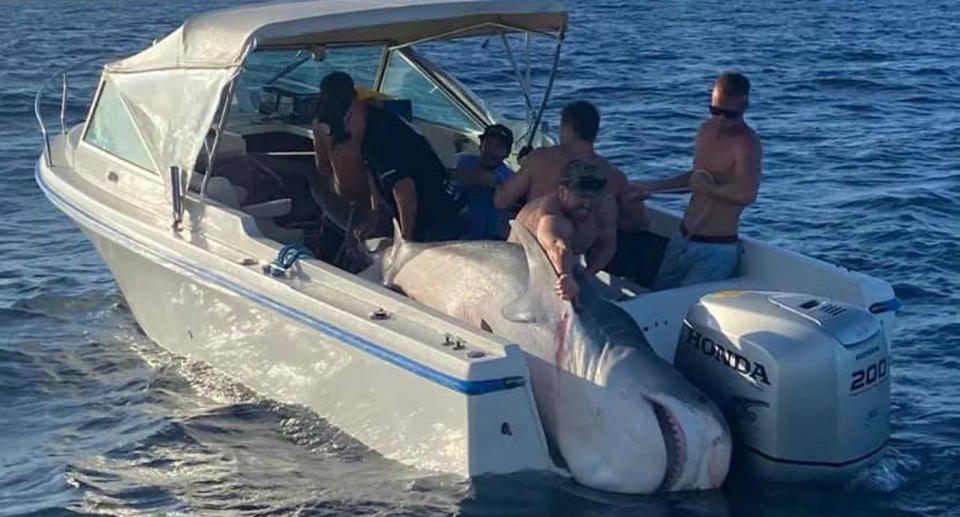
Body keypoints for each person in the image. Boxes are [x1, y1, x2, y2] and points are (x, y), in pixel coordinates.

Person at [631, 72, 762, 289]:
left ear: (744, 107)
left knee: (685, 313)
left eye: (729, 115)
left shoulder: (747, 143)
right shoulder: (705, 131)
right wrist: (650, 187)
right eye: (715, 111)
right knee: (658, 300)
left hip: (715, 249)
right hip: (682, 239)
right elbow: (695, 178)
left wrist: (709, 189)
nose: (720, 119)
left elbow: (746, 194)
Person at [312, 72, 465, 242]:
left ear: (357, 105)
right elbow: (372, 176)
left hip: (433, 214)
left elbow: (404, 188)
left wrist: (406, 240)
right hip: (397, 208)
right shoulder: (358, 134)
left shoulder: (381, 133)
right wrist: (375, 220)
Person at [494, 100, 648, 231]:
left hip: (538, 250)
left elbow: (501, 201)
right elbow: (638, 224)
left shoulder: (540, 159)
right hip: (586, 254)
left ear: (565, 128)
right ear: (595, 132)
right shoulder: (615, 176)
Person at [510, 159, 618, 301]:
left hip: (568, 264)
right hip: (517, 265)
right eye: (582, 196)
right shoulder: (549, 212)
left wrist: (588, 274)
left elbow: (607, 247)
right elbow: (557, 245)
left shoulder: (605, 207)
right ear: (563, 192)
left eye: (593, 197)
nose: (587, 204)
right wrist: (565, 275)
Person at [446, 124, 515, 239]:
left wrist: (437, 170)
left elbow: (484, 178)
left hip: (487, 240)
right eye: (488, 144)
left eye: (498, 147)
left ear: (507, 153)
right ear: (481, 145)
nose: (491, 151)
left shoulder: (507, 176)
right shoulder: (465, 161)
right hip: (458, 229)